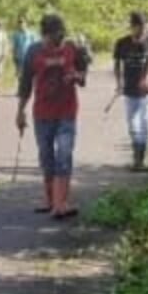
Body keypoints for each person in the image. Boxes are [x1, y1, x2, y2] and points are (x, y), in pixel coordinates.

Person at [16, 14, 87, 220]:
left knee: (64, 155)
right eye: (51, 38)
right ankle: (50, 200)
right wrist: (20, 112)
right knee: (46, 157)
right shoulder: (34, 51)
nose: (56, 41)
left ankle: (61, 203)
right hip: (42, 114)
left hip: (67, 112)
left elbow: (83, 78)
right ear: (43, 35)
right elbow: (25, 84)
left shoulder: (73, 49)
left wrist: (76, 76)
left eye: (59, 36)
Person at [114, 12, 148, 171]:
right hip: (129, 91)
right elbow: (117, 65)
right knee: (133, 125)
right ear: (132, 27)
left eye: (145, 28)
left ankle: (139, 160)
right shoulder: (122, 43)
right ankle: (137, 157)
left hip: (147, 92)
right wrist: (118, 83)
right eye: (139, 28)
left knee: (145, 124)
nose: (142, 31)